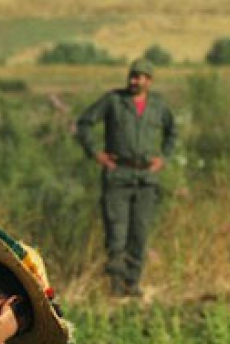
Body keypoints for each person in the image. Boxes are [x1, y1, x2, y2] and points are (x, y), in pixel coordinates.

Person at [75, 58, 178, 297]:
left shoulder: (159, 107)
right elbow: (84, 123)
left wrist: (163, 158)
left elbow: (173, 132)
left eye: (140, 77)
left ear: (149, 81)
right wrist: (96, 153)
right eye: (132, 76)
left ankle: (132, 285)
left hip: (146, 178)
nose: (134, 81)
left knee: (139, 233)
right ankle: (115, 287)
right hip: (118, 175)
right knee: (116, 233)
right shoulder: (113, 101)